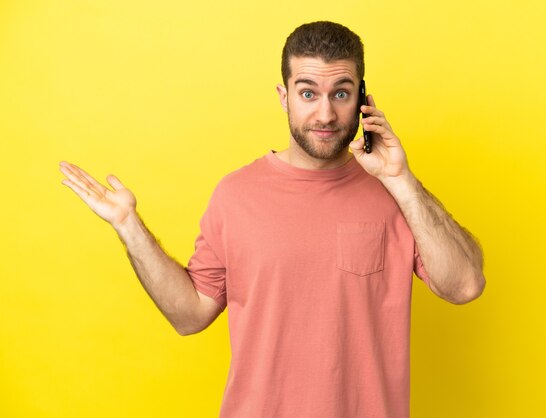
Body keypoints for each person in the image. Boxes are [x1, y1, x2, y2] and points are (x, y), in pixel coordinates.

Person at [60, 21, 485, 418]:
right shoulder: (235, 195)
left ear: (363, 99)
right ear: (283, 97)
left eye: (341, 93)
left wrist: (402, 180)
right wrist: (128, 226)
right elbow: (189, 315)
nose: (324, 114)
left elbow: (465, 285)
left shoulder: (396, 195)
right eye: (307, 93)